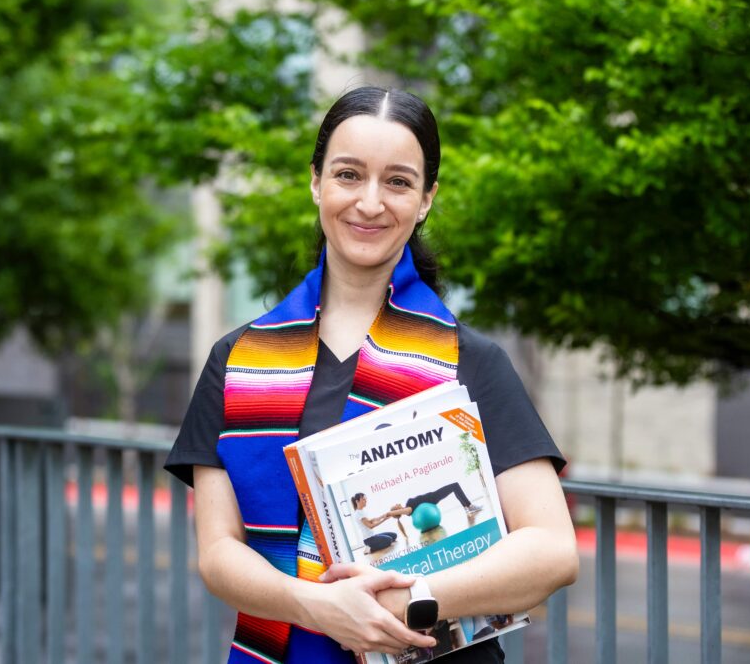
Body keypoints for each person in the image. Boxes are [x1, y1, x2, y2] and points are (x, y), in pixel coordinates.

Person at [165, 86, 578, 663]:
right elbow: (217, 552)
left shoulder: (470, 361)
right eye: (349, 175)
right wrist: (314, 605)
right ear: (316, 182)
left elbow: (553, 551)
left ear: (427, 198)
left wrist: (414, 600)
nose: (370, 202)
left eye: (398, 182)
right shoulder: (237, 362)